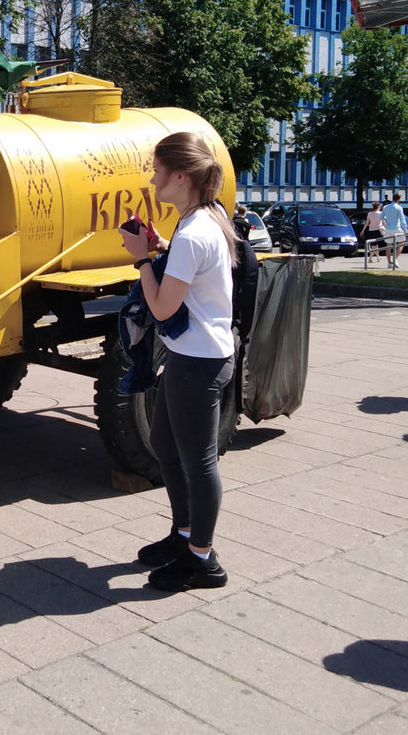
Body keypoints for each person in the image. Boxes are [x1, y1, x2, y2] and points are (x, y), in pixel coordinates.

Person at [118, 131, 237, 592]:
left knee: (199, 462)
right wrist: (161, 245)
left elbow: (163, 308)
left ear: (181, 175)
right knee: (167, 447)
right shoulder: (205, 219)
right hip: (198, 356)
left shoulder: (196, 231)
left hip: (198, 363)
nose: (152, 180)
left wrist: (142, 258)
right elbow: (194, 270)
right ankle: (184, 535)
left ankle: (202, 560)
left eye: (157, 172)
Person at [380, 192, 408, 269]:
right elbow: (403, 220)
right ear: (399, 199)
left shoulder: (385, 207)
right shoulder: (399, 208)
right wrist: (406, 230)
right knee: (401, 243)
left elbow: (382, 217)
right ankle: (395, 258)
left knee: (388, 245)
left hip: (388, 228)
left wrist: (385, 224)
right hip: (397, 227)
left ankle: (389, 263)